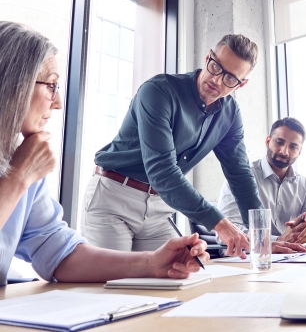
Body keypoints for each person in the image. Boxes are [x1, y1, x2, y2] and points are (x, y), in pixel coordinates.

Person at [0, 21, 209, 286]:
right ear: (13, 85)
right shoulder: (24, 167)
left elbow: (57, 253)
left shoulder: (21, 160)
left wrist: (150, 263)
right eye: (51, 85)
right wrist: (18, 178)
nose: (59, 103)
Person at [82, 34, 265, 257]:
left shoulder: (230, 113)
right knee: (112, 285)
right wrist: (219, 223)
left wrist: (263, 237)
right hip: (114, 198)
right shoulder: (159, 91)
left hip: (159, 208)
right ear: (208, 57)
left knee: (179, 277)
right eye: (216, 67)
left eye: (230, 78)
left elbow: (240, 174)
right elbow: (162, 171)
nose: (217, 80)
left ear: (241, 84)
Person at [217, 117, 306, 248]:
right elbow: (226, 232)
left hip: (292, 259)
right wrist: (277, 240)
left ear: (300, 151)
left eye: (293, 146)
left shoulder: (304, 185)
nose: (284, 151)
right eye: (279, 142)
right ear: (268, 141)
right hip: (250, 260)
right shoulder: (240, 177)